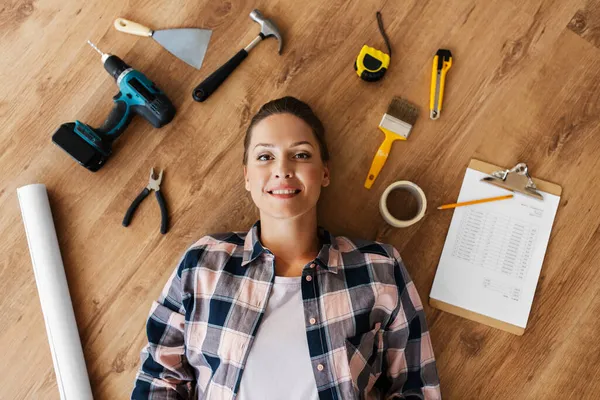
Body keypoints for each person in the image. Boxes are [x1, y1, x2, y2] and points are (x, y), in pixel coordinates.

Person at [131, 96, 441, 399]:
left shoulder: (379, 268)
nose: (283, 169)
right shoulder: (203, 263)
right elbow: (160, 376)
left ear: (325, 172)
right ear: (247, 177)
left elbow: (417, 386)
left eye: (301, 155)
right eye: (265, 157)